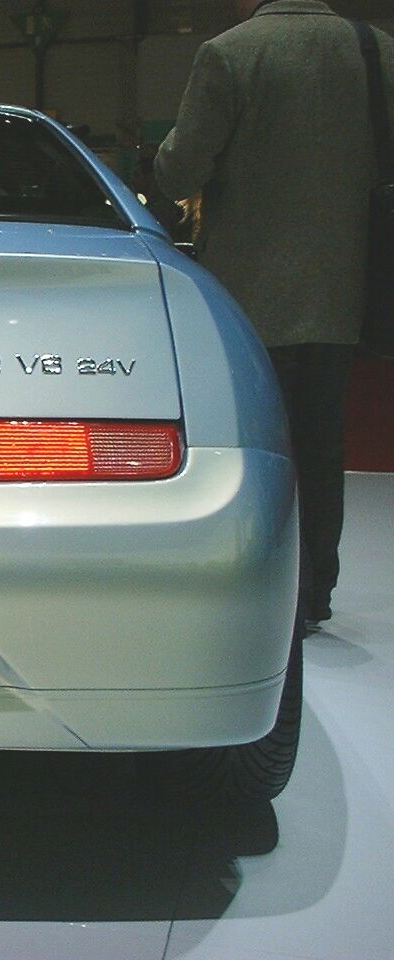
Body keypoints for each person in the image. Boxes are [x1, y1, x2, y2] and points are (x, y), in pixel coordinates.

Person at [154, 0, 394, 625]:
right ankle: (315, 593)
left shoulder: (230, 53)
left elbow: (181, 167)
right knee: (321, 440)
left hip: (249, 292)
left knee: (252, 444)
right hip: (345, 283)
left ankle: (255, 591)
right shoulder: (377, 51)